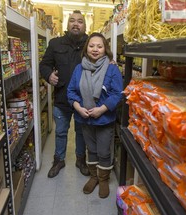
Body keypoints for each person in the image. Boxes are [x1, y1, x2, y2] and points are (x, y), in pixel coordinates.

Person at [67, 32, 123, 198]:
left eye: (99, 46)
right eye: (92, 46)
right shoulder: (79, 68)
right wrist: (78, 108)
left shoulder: (112, 68)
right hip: (85, 119)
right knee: (91, 149)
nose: (95, 49)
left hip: (104, 119)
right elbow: (71, 91)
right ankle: (93, 177)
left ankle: (103, 179)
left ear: (105, 49)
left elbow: (117, 93)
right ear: (86, 48)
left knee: (104, 151)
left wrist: (102, 109)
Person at [39, 10, 89, 178]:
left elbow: (105, 60)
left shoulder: (91, 44)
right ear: (67, 25)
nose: (76, 24)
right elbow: (44, 65)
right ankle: (59, 160)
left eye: (80, 21)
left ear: (85, 25)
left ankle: (81, 160)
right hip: (62, 97)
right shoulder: (55, 44)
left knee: (82, 132)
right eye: (72, 21)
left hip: (84, 100)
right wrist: (48, 75)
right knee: (61, 131)